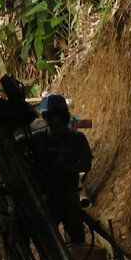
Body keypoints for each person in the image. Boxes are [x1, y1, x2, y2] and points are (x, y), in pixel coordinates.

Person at [30, 94, 93, 243]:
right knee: (48, 239)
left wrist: (65, 168)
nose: (47, 120)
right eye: (44, 116)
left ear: (62, 115)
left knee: (77, 237)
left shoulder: (77, 139)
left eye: (50, 116)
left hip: (69, 195)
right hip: (48, 198)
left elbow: (86, 165)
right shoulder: (38, 138)